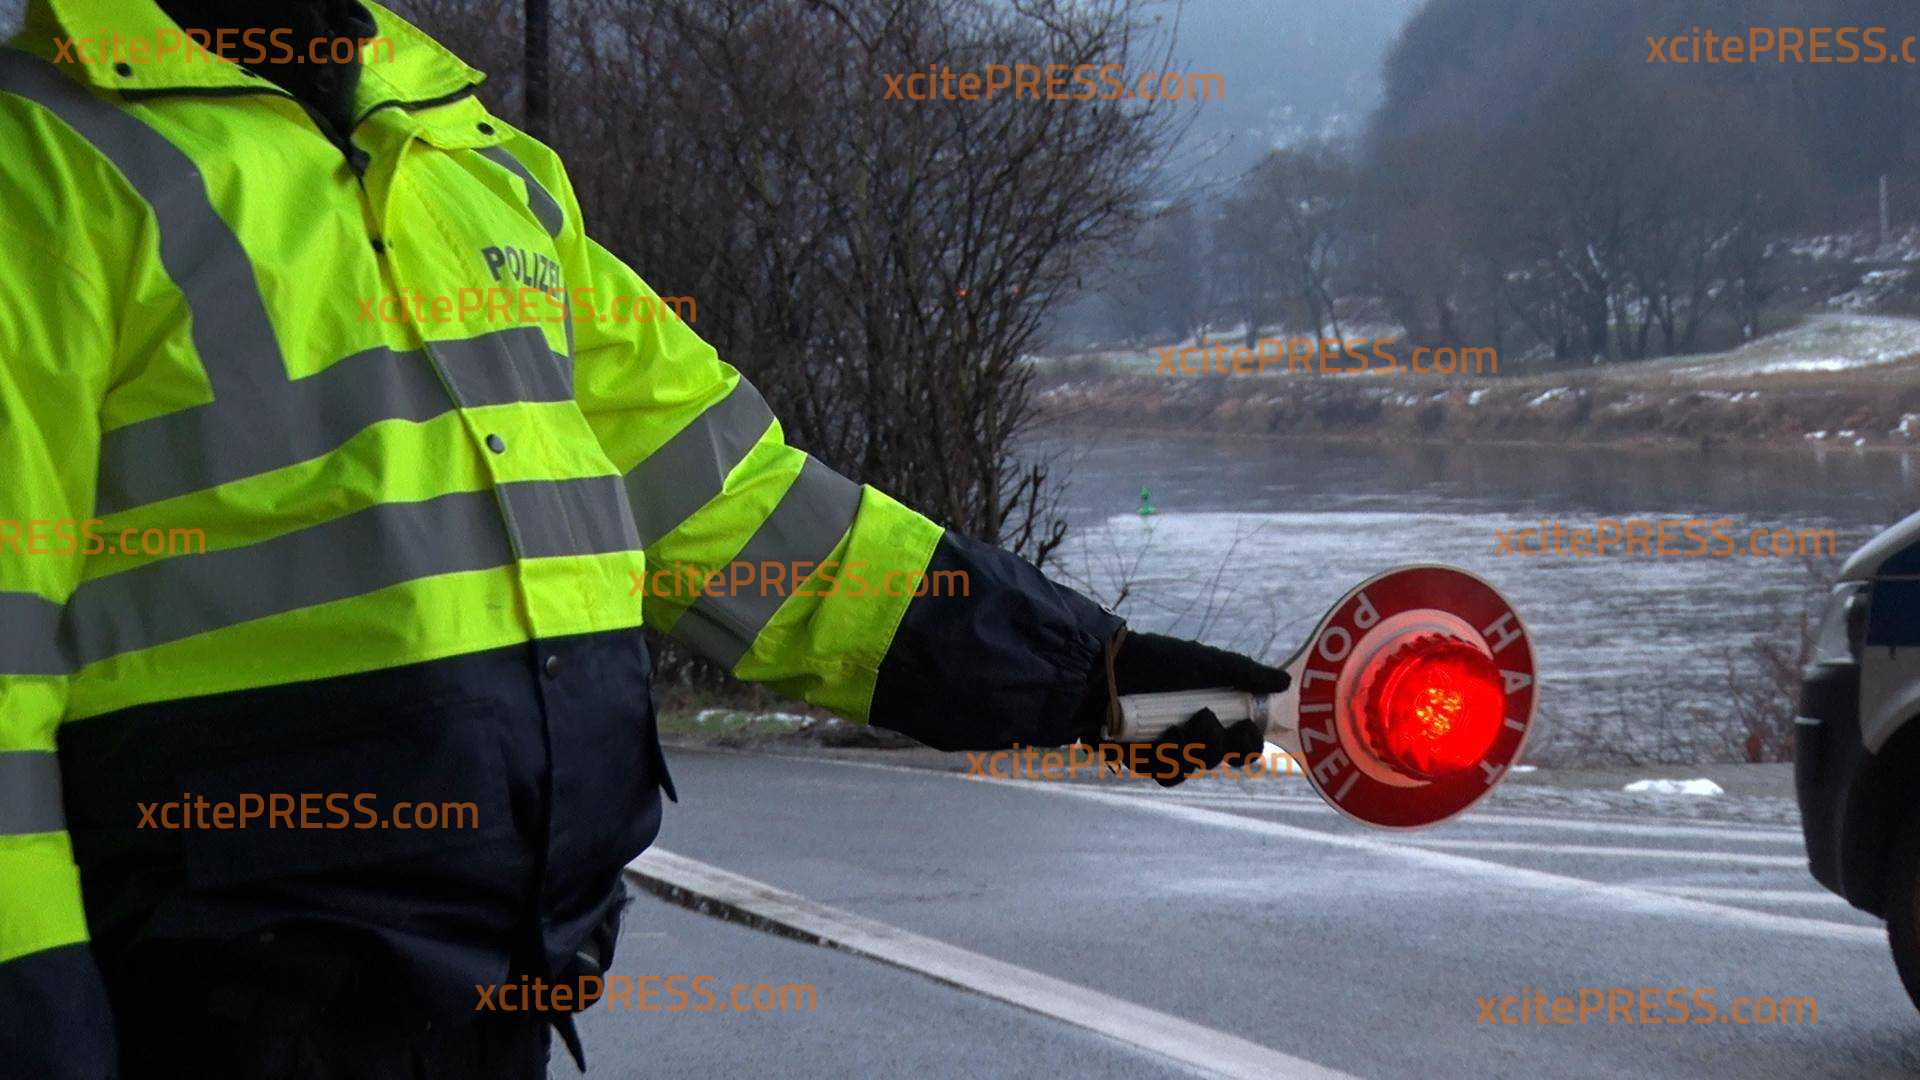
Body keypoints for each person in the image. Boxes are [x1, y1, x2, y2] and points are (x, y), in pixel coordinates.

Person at [0, 2, 1287, 1076]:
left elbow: (751, 520)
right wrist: (31, 1010)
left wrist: (1129, 691)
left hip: (500, 991)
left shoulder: (471, 160)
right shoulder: (38, 164)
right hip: (210, 1011)